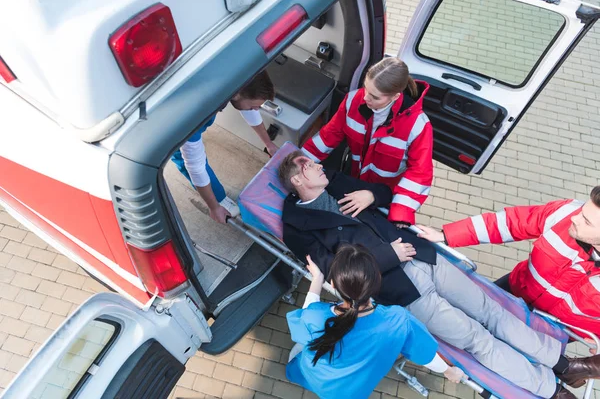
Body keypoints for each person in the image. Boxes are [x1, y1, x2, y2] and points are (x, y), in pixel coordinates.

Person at [277, 150, 600, 399]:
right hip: (400, 288)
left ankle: (560, 364)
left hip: (425, 256)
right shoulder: (297, 227)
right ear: (297, 180)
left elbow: (385, 193)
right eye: (309, 165)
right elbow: (336, 274)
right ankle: (549, 390)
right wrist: (389, 255)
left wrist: (372, 195)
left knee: (492, 311)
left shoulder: (336, 181)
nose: (318, 165)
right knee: (477, 340)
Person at [417, 186, 600, 352]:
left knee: (496, 357)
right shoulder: (565, 213)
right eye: (582, 210)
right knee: (458, 324)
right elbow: (510, 223)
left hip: (548, 332)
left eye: (587, 221)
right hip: (512, 291)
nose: (575, 218)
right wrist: (446, 235)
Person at [286, 244, 464, 399]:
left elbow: (305, 317)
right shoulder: (398, 320)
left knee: (298, 353)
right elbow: (426, 355)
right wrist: (449, 371)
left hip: (312, 376)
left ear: (332, 283)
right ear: (376, 281)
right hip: (348, 394)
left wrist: (317, 279)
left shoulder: (315, 316)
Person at [302, 57, 433, 226]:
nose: (365, 98)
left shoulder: (418, 125)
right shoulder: (352, 101)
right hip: (354, 179)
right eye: (365, 88)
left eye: (374, 96)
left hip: (388, 194)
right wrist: (300, 160)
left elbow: (420, 173)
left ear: (395, 96)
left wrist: (401, 212)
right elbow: (329, 135)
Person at [172, 71, 279, 223]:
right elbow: (195, 167)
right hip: (177, 117)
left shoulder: (236, 78)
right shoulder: (196, 115)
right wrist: (214, 207)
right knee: (182, 157)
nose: (256, 110)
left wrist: (269, 144)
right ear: (236, 95)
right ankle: (218, 199)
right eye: (254, 106)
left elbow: (248, 109)